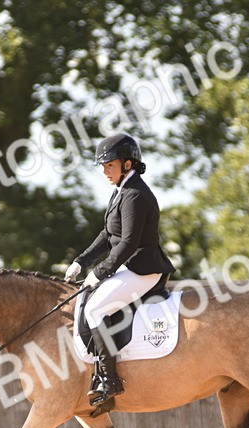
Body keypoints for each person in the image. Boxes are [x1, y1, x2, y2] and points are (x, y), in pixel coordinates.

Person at [65, 133, 175, 411]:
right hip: (130, 266)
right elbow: (107, 234)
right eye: (102, 167)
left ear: (127, 164)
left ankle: (109, 379)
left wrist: (99, 272)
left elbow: (127, 243)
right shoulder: (122, 191)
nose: (104, 172)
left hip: (144, 269)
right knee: (90, 302)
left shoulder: (136, 194)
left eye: (109, 166)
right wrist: (81, 261)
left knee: (95, 310)